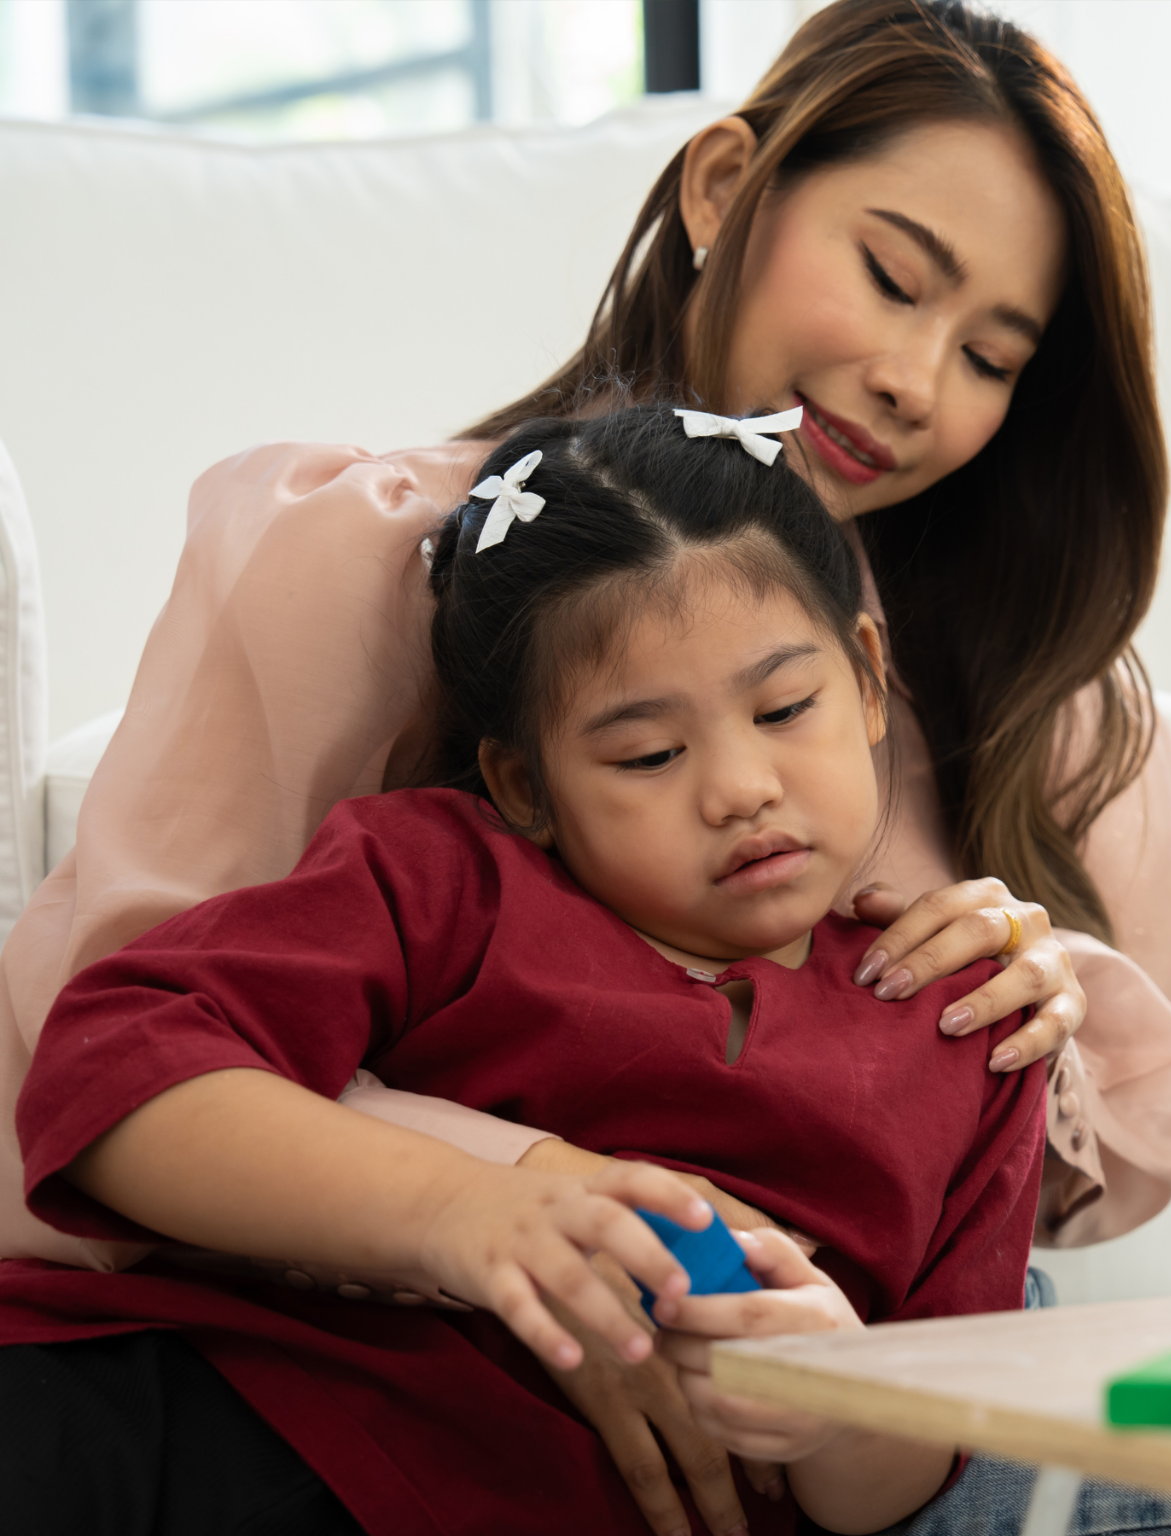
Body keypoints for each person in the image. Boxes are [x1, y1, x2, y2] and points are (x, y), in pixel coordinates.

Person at [0, 2, 1171, 1530]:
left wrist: (1037, 1015)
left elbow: (1008, 1272)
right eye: (892, 277)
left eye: (991, 355)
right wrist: (557, 1227)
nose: (913, 376)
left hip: (833, 1402)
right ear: (720, 194)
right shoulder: (377, 573)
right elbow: (111, 1051)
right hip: (347, 1349)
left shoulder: (1061, 708)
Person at [0, 406, 1047, 1536]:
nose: (741, 786)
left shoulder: (971, 1030)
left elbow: (924, 1470)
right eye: (649, 754)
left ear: (866, 670)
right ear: (524, 785)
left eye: (786, 708)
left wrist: (839, 1407)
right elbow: (113, 1074)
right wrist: (466, 1209)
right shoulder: (441, 877)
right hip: (214, 1414)